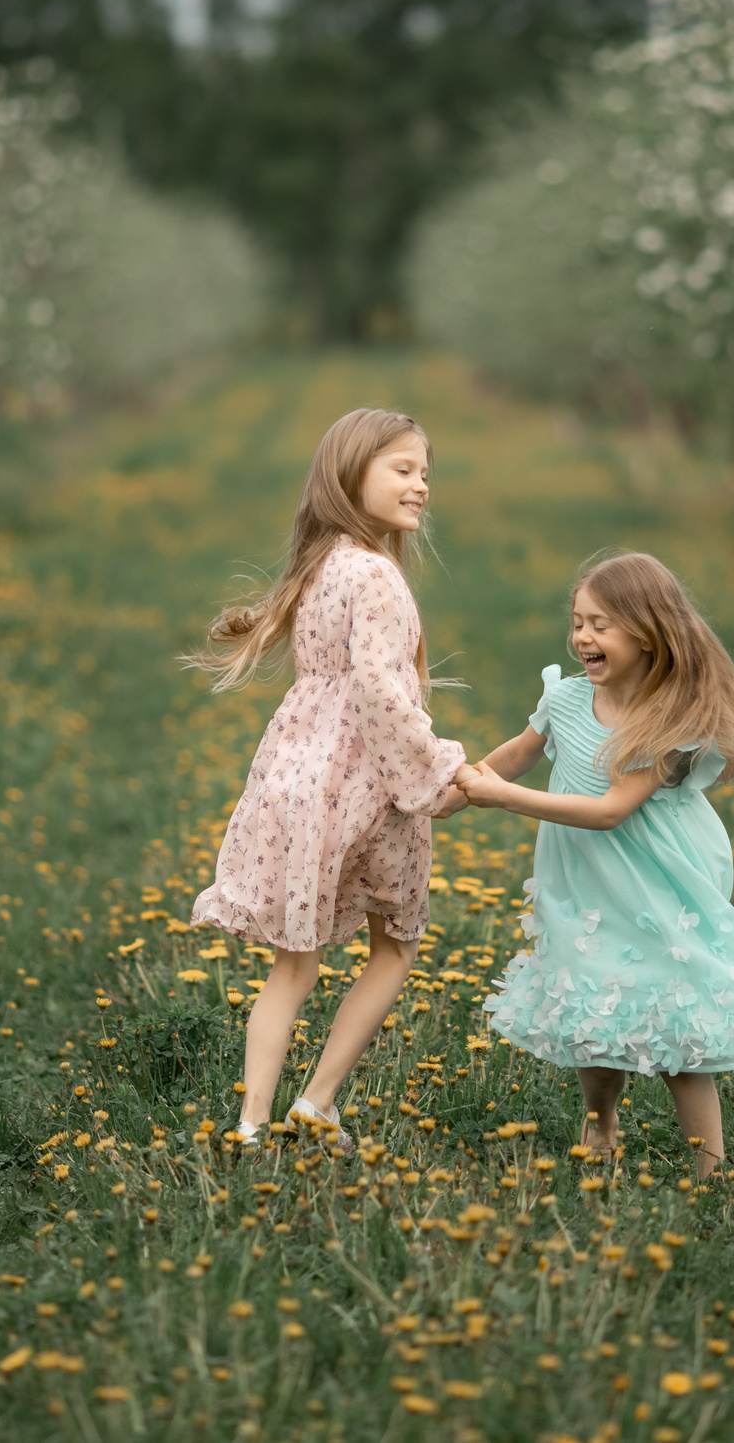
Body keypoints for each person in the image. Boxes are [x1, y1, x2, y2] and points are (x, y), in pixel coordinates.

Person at [188, 408, 469, 1152]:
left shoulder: (321, 568)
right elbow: (380, 693)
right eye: (403, 469)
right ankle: (315, 1102)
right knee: (395, 947)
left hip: (299, 780)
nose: (422, 485)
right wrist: (436, 768)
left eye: (425, 472)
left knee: (293, 966)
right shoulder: (375, 574)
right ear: (350, 475)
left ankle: (250, 1125)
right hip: (366, 782)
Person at [462, 551, 734, 1178]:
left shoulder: (667, 719)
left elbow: (611, 809)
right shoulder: (565, 698)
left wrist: (502, 798)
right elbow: (516, 756)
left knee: (677, 1031)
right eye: (577, 622)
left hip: (656, 885)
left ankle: (711, 1173)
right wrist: (451, 792)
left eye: (601, 624)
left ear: (647, 633)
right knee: (594, 1018)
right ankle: (602, 1121)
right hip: (585, 885)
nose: (583, 637)